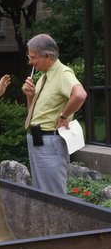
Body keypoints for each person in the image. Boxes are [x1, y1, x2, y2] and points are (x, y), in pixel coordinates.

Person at [22, 34, 87, 194]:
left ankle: (58, 220)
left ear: (47, 56)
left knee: (53, 196)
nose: (30, 62)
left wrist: (64, 116)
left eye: (33, 57)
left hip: (50, 142)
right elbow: (36, 115)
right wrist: (30, 97)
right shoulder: (44, 77)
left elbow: (80, 95)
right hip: (39, 140)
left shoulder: (62, 73)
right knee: (42, 194)